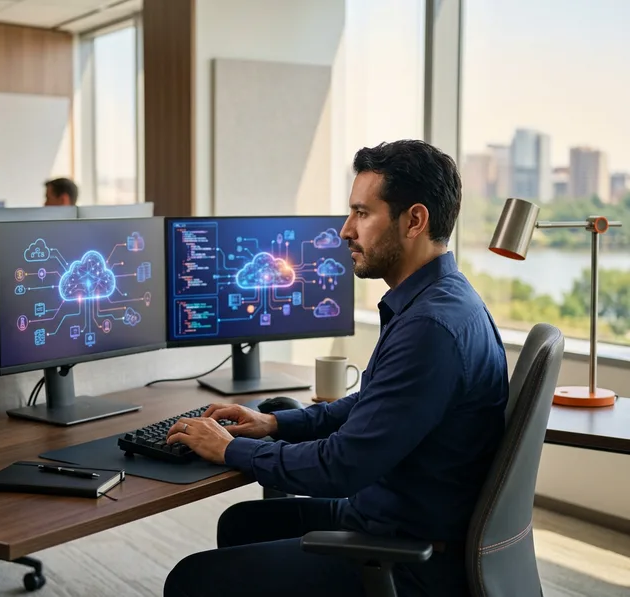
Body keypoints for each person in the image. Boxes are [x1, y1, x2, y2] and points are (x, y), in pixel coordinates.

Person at [163, 140, 509, 597]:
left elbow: (342, 466)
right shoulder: (441, 297)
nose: (346, 230)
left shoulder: (431, 327)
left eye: (362, 214)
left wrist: (230, 450)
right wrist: (272, 422)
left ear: (415, 220)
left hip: (409, 556)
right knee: (242, 523)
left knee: (190, 581)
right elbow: (371, 404)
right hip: (390, 515)